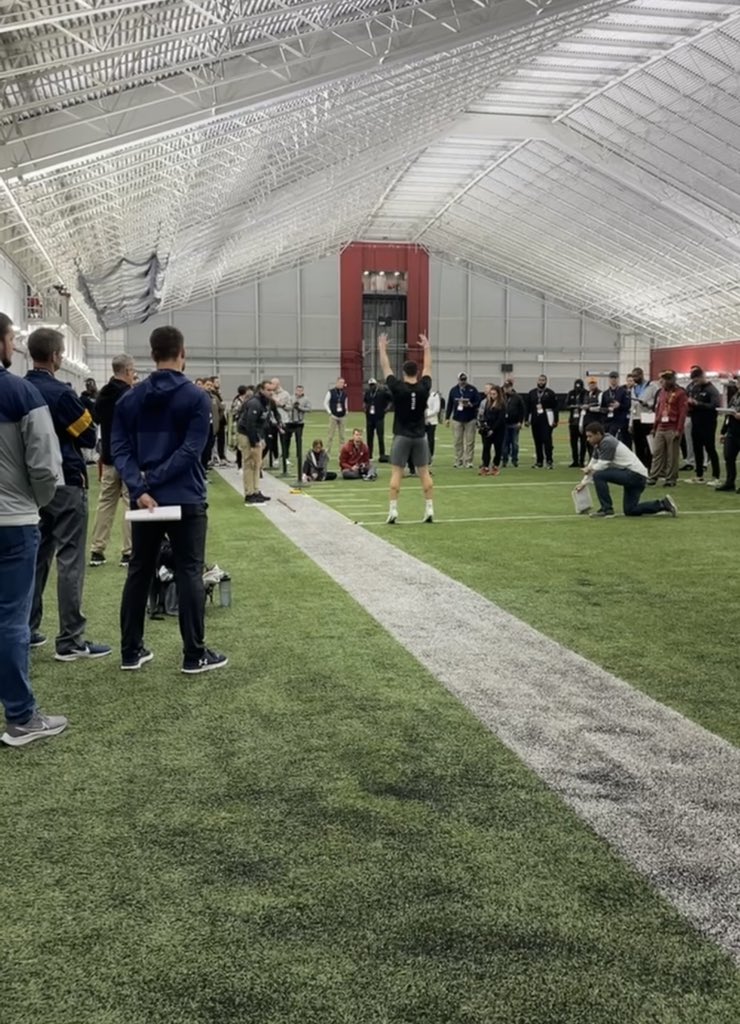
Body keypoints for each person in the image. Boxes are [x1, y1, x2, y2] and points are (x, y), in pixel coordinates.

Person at [112, 325, 227, 674]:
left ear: (151, 355)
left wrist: (140, 485)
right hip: (186, 496)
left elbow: (119, 448)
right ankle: (194, 655)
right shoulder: (195, 397)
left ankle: (131, 651)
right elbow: (193, 450)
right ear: (183, 353)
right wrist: (152, 480)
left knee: (140, 571)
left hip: (144, 500)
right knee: (190, 571)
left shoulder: (129, 398)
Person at [0, 313, 68, 747]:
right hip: (13, 521)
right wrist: (36, 504)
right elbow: (45, 465)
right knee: (11, 619)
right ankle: (21, 718)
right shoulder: (21, 393)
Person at [25, 328, 112, 661]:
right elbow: (88, 435)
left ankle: (28, 629)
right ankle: (71, 639)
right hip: (66, 480)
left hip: (32, 486)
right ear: (56, 356)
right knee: (70, 559)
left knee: (37, 557)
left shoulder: (21, 388)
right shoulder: (61, 394)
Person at [378, 332, 434, 524]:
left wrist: (382, 348)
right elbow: (428, 366)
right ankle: (429, 508)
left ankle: (393, 510)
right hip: (420, 435)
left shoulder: (397, 387)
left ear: (403, 372)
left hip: (401, 435)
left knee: (396, 473)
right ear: (416, 373)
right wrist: (426, 347)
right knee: (424, 472)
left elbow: (385, 367)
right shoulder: (424, 387)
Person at [89, 354, 136, 568]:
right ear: (127, 371)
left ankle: (97, 550)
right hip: (128, 457)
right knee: (129, 502)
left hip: (108, 456)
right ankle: (128, 551)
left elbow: (96, 418)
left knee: (105, 503)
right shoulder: (131, 395)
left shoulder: (103, 394)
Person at [578, 422, 677, 519]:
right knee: (630, 510)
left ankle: (606, 509)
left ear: (598, 434)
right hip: (637, 476)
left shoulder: (607, 442)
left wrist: (590, 469)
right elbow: (593, 462)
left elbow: (602, 465)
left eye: (590, 436)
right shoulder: (599, 444)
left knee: (599, 475)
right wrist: (583, 483)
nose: (588, 439)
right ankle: (663, 504)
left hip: (635, 475)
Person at [647, 370, 688, 487]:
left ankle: (671, 479)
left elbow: (682, 413)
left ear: (671, 380)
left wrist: (678, 430)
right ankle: (653, 476)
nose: (662, 381)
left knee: (672, 455)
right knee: (657, 453)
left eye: (664, 379)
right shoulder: (661, 392)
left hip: (672, 427)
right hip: (660, 426)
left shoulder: (681, 393)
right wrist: (654, 427)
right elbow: (658, 410)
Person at [236, 380, 274, 505]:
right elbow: (250, 424)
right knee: (249, 463)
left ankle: (256, 490)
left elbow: (262, 423)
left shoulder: (267, 402)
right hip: (246, 434)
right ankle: (249, 493)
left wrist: (261, 438)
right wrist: (253, 443)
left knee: (257, 464)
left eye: (272, 390)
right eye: (268, 390)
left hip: (256, 434)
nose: (271, 392)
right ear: (261, 390)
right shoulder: (254, 403)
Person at [686, 367, 720, 484]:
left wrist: (698, 403)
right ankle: (699, 475)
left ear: (702, 377)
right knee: (697, 449)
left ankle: (716, 476)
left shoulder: (712, 390)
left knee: (710, 449)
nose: (695, 383)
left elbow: (714, 406)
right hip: (696, 423)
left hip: (708, 424)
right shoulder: (695, 389)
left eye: (696, 380)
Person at [445, 372, 480, 468]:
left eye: (464, 380)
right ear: (458, 380)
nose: (463, 382)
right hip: (457, 418)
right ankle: (458, 460)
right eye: (461, 380)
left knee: (470, 441)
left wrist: (471, 404)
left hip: (470, 418)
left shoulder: (472, 389)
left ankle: (469, 461)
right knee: (457, 441)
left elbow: (478, 401)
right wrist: (447, 418)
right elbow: (450, 405)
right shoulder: (453, 390)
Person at [629, 367, 659, 469]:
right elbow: (632, 406)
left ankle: (651, 466)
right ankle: (641, 467)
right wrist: (630, 423)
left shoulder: (652, 386)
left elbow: (657, 402)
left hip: (648, 417)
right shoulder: (633, 388)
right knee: (638, 445)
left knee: (649, 444)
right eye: (633, 376)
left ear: (641, 375)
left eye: (636, 376)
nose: (634, 378)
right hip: (636, 418)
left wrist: (648, 404)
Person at [526, 374, 558, 469]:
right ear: (537, 381)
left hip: (547, 420)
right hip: (535, 420)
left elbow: (555, 407)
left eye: (543, 380)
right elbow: (528, 408)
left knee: (547, 440)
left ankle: (549, 461)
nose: (541, 382)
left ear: (546, 381)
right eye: (540, 380)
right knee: (537, 441)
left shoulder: (550, 393)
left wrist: (555, 420)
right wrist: (527, 420)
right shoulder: (532, 393)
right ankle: (539, 461)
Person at [716, 377, 740, 492]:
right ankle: (730, 483)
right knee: (728, 457)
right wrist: (722, 432)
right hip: (732, 431)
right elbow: (728, 416)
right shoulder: (734, 397)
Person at [478, 384, 506, 476]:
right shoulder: (487, 403)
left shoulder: (501, 404)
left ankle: (495, 466)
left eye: (494, 394)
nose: (492, 396)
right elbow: (485, 414)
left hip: (498, 430)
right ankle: (485, 466)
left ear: (498, 394)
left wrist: (493, 429)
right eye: (491, 394)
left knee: (498, 449)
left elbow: (500, 419)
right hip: (488, 429)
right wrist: (484, 425)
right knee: (486, 448)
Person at [363, 378, 390, 462]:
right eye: (370, 385)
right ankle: (369, 455)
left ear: (376, 384)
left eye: (373, 385)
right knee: (369, 437)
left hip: (379, 417)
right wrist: (364, 408)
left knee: (380, 437)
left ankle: (382, 455)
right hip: (370, 418)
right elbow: (365, 401)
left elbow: (390, 400)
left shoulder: (382, 392)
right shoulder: (367, 393)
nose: (372, 387)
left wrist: (386, 409)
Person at [284, 385, 311, 467]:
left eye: (301, 390)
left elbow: (309, 409)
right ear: (295, 391)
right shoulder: (291, 398)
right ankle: (285, 456)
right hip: (290, 421)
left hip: (299, 422)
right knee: (286, 440)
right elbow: (286, 407)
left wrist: (300, 408)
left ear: (303, 391)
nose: (299, 392)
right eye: (298, 390)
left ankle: (299, 456)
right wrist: (292, 406)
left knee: (298, 439)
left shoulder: (306, 399)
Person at [600, 371, 630, 443]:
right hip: (607, 420)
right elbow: (602, 407)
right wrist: (607, 410)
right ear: (609, 379)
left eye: (615, 378)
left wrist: (619, 405)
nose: (613, 379)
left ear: (618, 379)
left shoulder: (623, 391)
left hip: (619, 420)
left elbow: (628, 405)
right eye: (612, 378)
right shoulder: (605, 393)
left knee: (614, 439)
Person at [565, 378, 588, 467]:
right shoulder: (571, 393)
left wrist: (581, 406)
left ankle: (581, 460)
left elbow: (586, 403)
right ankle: (575, 460)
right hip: (573, 421)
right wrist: (573, 406)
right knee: (573, 442)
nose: (577, 387)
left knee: (583, 442)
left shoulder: (585, 393)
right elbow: (566, 404)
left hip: (582, 421)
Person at [502, 380, 525, 467]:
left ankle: (514, 459)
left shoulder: (518, 397)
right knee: (504, 444)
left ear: (511, 387)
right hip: (504, 424)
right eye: (505, 387)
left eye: (508, 387)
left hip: (514, 423)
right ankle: (504, 460)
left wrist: (520, 421)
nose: (506, 389)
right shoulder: (502, 397)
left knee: (514, 443)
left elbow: (522, 411)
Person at [324, 377, 348, 455]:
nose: (341, 384)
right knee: (330, 435)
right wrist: (329, 412)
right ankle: (327, 451)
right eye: (340, 382)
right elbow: (325, 403)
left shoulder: (344, 393)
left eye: (343, 383)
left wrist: (346, 411)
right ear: (337, 382)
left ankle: (342, 452)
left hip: (342, 416)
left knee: (342, 436)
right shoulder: (331, 392)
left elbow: (345, 403)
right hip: (333, 416)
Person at [228, 385, 250, 469]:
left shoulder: (248, 400)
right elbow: (234, 412)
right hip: (238, 424)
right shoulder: (237, 401)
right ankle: (239, 465)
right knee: (239, 446)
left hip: (246, 425)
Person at [424, 383, 443, 465]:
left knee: (430, 439)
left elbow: (436, 409)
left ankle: (430, 456)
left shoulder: (434, 396)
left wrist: (426, 414)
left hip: (431, 420)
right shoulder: (420, 395)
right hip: (421, 421)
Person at [211, 376, 227, 463]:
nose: (219, 383)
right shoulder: (213, 394)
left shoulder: (218, 393)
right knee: (217, 439)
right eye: (216, 382)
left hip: (221, 419)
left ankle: (222, 455)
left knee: (222, 439)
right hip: (217, 419)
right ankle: (218, 456)